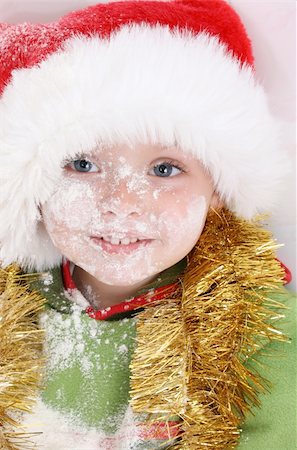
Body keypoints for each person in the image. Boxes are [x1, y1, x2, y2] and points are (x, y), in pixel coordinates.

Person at [0, 1, 295, 449]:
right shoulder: (9, 304)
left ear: (217, 191)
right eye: (83, 164)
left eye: (164, 170)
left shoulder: (267, 332)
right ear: (34, 184)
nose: (120, 204)